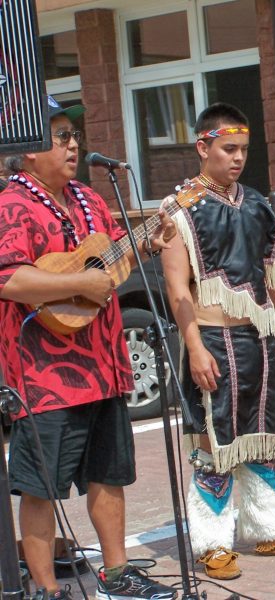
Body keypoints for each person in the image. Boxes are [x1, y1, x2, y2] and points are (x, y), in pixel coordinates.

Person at [0, 96, 177, 600]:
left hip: (104, 365)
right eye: (61, 137)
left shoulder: (89, 199)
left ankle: (118, 576)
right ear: (29, 150)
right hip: (45, 375)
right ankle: (46, 588)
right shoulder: (11, 205)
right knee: (41, 488)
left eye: (74, 135)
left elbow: (113, 254)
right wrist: (78, 282)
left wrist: (149, 240)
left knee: (108, 474)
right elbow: (8, 278)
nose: (73, 145)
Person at [161, 102, 275, 581]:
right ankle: (212, 544)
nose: (237, 158)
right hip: (211, 338)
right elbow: (176, 288)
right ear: (203, 146)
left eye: (243, 150)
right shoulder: (179, 209)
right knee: (214, 444)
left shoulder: (257, 204)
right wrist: (194, 347)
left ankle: (270, 530)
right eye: (228, 148)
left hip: (258, 337)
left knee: (260, 439)